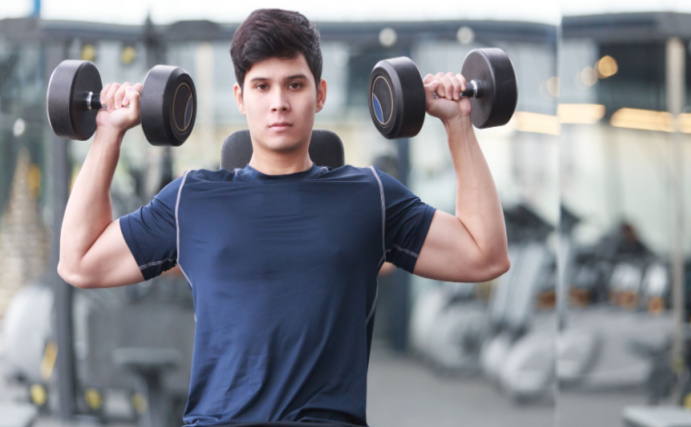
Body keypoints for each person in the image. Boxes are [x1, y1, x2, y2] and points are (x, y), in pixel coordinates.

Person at [57, 8, 509, 427]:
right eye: (262, 86)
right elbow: (80, 261)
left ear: (320, 94)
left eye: (295, 84)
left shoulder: (369, 196)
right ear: (240, 97)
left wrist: (459, 124)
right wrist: (108, 133)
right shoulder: (192, 199)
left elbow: (483, 254)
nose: (278, 102)